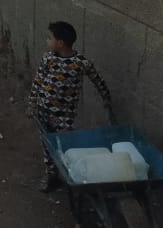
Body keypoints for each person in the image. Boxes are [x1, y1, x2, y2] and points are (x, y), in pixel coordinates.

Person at [28, 20, 112, 192]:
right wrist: (31, 103)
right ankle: (52, 177)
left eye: (49, 38)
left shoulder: (81, 63)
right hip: (43, 110)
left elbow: (98, 81)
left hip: (64, 115)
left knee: (63, 146)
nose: (47, 40)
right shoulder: (48, 58)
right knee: (47, 145)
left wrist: (106, 98)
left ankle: (71, 175)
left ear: (60, 43)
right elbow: (38, 81)